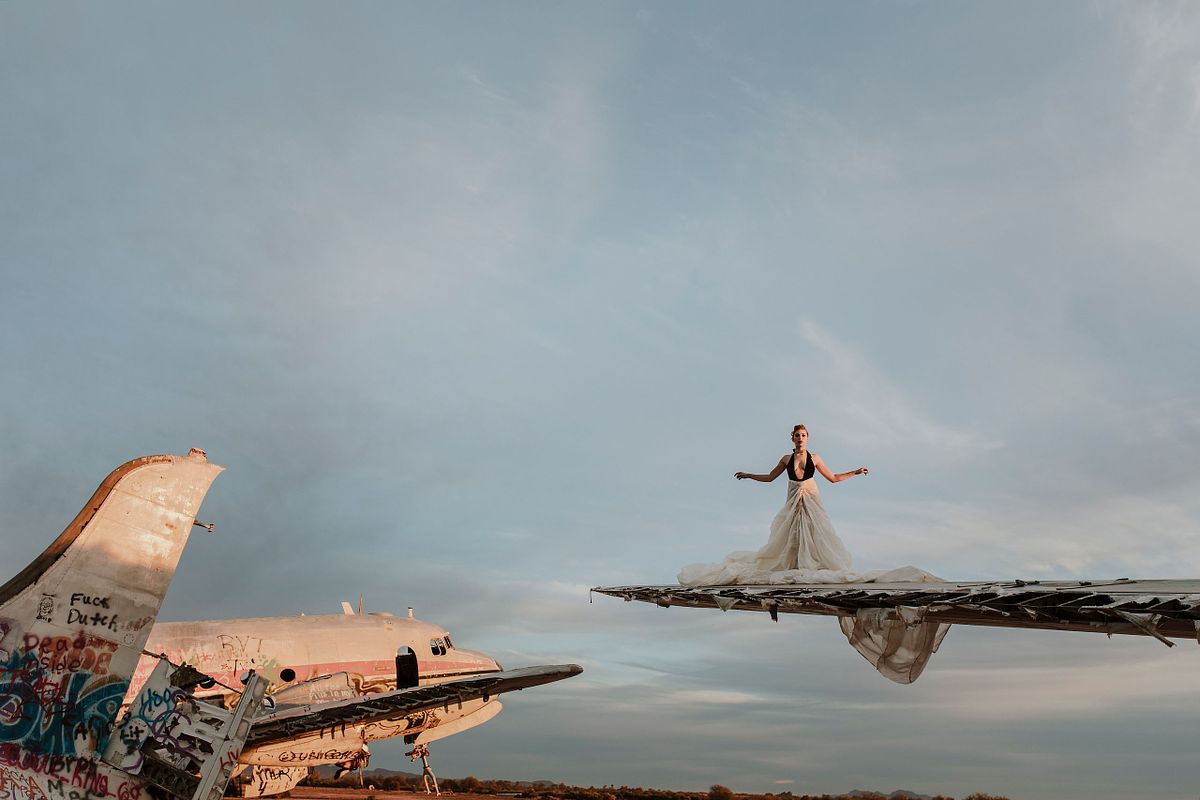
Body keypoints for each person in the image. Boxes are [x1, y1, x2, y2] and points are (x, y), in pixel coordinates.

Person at [678, 424, 870, 586]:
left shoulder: (815, 458)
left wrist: (856, 472)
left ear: (808, 438)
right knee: (792, 533)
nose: (800, 438)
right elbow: (770, 477)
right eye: (797, 436)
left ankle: (812, 565)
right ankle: (794, 565)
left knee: (814, 531)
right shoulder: (786, 459)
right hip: (794, 499)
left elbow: (833, 478)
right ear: (792, 438)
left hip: (811, 498)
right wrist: (749, 475)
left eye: (803, 435)